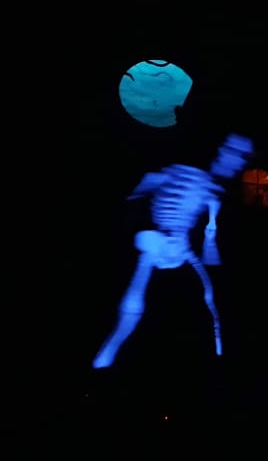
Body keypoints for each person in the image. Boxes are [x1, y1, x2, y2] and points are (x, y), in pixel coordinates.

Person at [92, 134, 254, 368]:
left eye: (244, 156)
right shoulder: (185, 174)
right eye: (235, 152)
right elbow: (139, 192)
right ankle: (110, 351)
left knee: (205, 298)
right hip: (158, 242)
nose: (239, 162)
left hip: (179, 249)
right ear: (219, 150)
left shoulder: (215, 193)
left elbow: (214, 241)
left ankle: (215, 350)